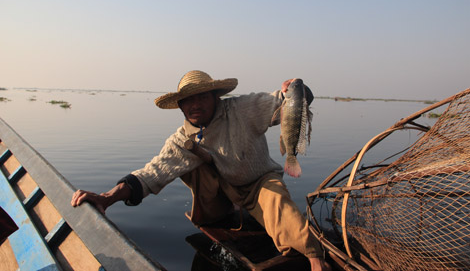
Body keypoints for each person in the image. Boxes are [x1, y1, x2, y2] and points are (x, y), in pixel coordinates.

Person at [71, 70, 331, 271]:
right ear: (181, 106)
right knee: (184, 165)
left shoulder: (242, 108)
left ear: (216, 96)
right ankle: (217, 214)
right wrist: (108, 197)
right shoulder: (182, 138)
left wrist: (298, 88)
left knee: (279, 206)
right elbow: (152, 173)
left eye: (202, 96)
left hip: (258, 182)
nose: (195, 104)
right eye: (188, 99)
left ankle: (313, 257)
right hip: (223, 189)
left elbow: (291, 101)